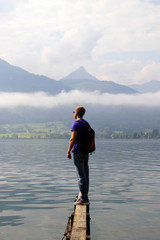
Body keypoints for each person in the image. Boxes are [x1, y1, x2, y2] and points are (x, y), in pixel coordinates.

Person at [67, 106, 90, 205]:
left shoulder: (76, 124)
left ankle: (84, 199)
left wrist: (68, 151)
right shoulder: (86, 123)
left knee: (80, 175)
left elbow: (73, 139)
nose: (73, 114)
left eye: (74, 112)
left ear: (76, 113)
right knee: (85, 174)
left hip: (78, 152)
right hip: (86, 152)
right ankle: (85, 196)